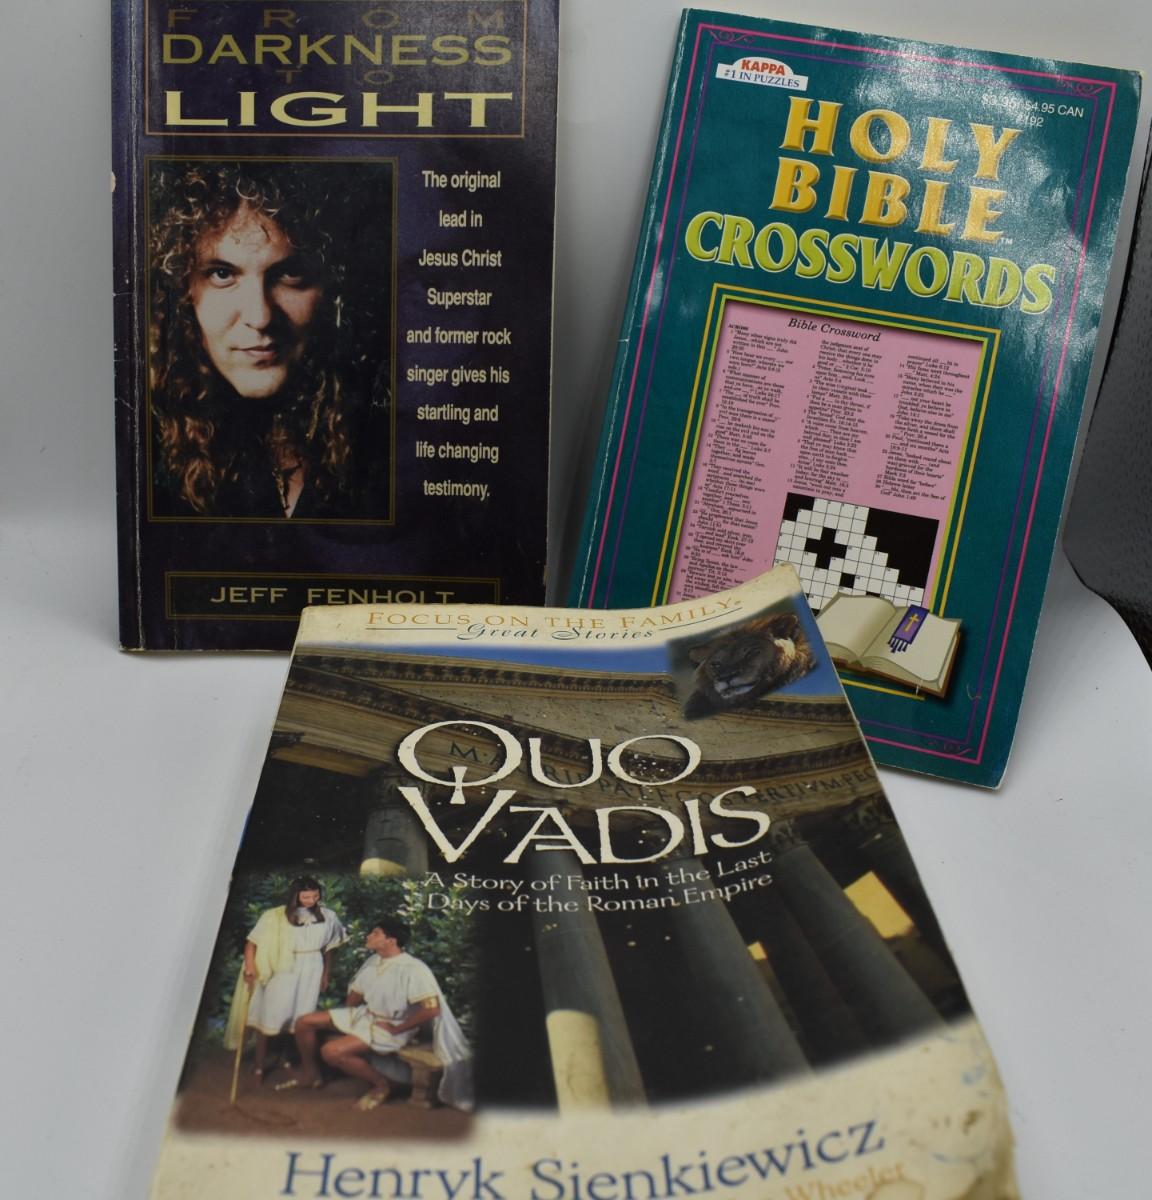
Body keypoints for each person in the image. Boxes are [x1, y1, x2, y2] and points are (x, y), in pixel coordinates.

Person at [148, 161, 390, 518]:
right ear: (183, 292)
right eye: (222, 274)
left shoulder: (390, 441)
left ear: (332, 288)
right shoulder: (145, 459)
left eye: (289, 273)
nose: (260, 317)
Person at [292, 917, 473, 1111]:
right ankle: (311, 1074)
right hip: (367, 1015)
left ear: (391, 941)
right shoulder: (374, 962)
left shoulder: (414, 969)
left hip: (393, 1026)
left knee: (331, 1052)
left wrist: (397, 1029)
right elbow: (355, 995)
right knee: (304, 1022)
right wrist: (345, 1019)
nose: (369, 936)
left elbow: (432, 1009)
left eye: (376, 933)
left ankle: (381, 1085)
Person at [224, 877, 348, 1081]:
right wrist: (250, 967)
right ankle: (258, 1064)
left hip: (312, 969)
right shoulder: (274, 916)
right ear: (295, 896)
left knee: (300, 1016)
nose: (311, 900)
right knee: (270, 1015)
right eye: (306, 896)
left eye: (315, 896)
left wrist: (325, 974)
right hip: (282, 968)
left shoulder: (328, 916)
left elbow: (329, 949)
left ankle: (288, 1058)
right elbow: (251, 943)